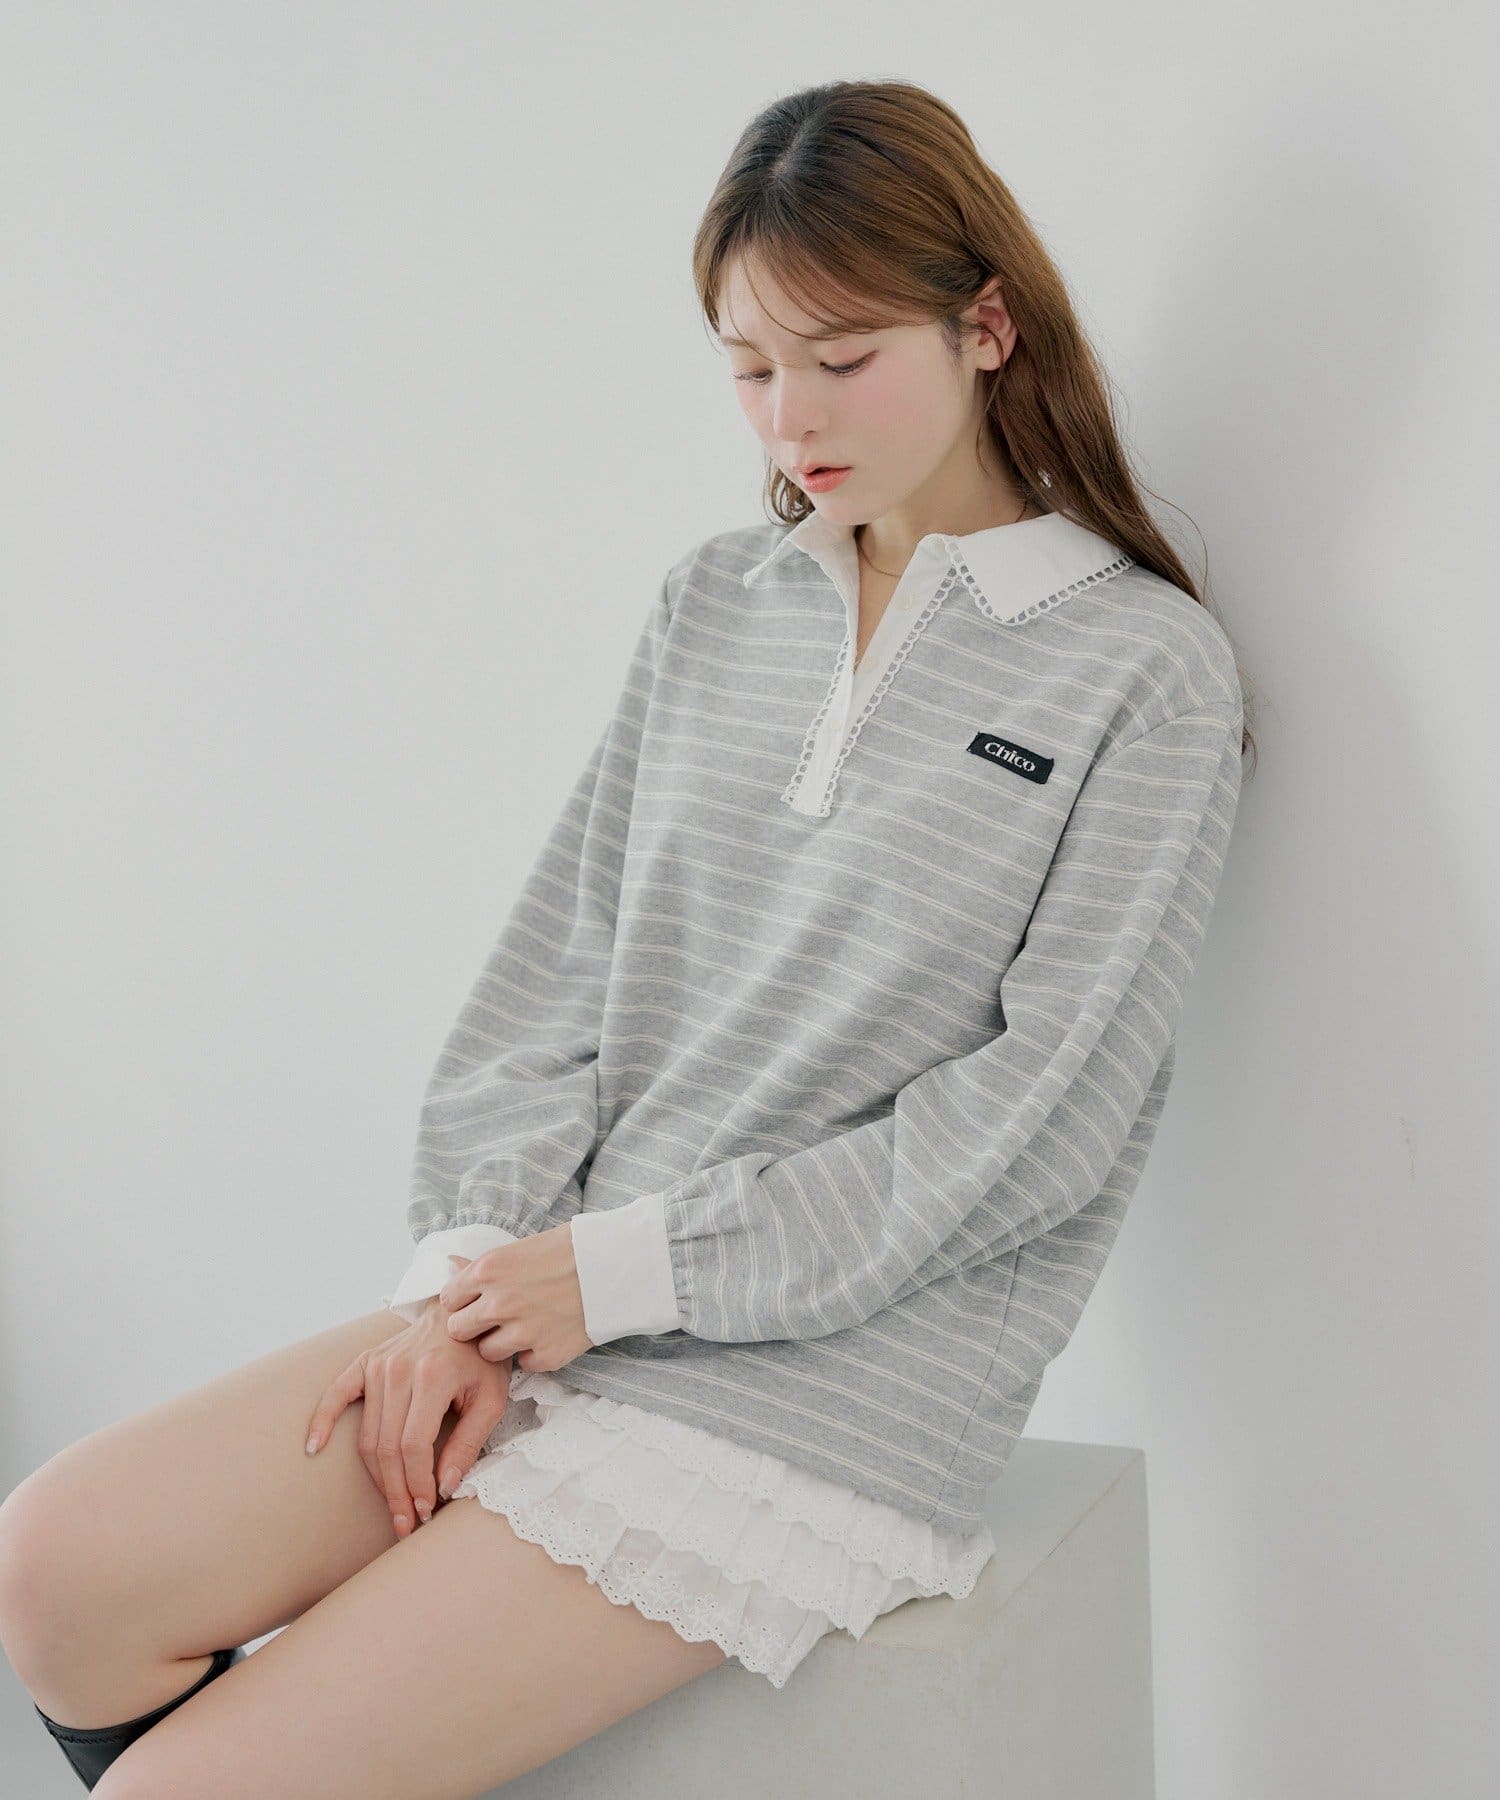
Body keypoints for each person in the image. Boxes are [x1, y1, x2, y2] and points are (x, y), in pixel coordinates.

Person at [0, 76, 1253, 1796]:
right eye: (750, 367)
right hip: (557, 1307)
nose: (792, 418)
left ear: (985, 326)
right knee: (55, 1565)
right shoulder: (717, 604)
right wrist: (468, 1289)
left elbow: (1037, 1128)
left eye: (842, 357)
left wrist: (617, 1278)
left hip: (823, 1400)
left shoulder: (1145, 671)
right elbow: (560, 978)